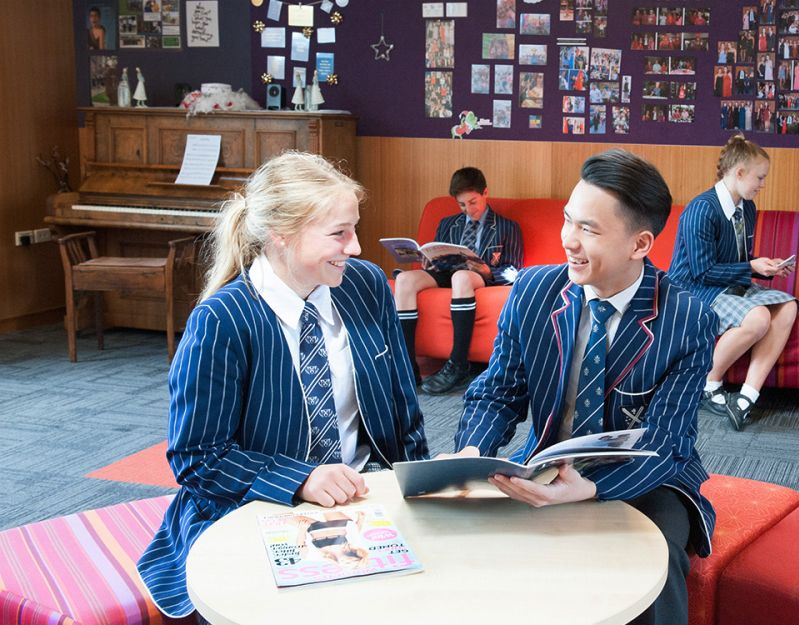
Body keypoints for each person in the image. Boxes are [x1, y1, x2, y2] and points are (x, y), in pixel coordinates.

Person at [136, 151, 429, 619]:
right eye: (339, 233)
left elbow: (402, 409)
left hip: (365, 498)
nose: (355, 248)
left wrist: (422, 490)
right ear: (280, 235)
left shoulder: (366, 285)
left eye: (354, 228)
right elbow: (197, 459)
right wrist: (302, 480)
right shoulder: (222, 320)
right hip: (255, 509)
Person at [447, 149, 718, 625]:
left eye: (589, 230)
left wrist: (591, 487)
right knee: (474, 555)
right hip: (547, 467)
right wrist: (471, 451)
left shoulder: (688, 319)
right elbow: (498, 392)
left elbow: (668, 441)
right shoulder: (533, 291)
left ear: (640, 244)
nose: (568, 240)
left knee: (656, 562)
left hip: (648, 480)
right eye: (567, 220)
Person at [667, 134, 797, 430]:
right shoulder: (702, 210)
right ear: (739, 173)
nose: (762, 184)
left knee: (788, 306)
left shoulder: (747, 208)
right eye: (759, 178)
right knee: (758, 318)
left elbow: (739, 257)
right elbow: (702, 271)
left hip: (725, 285)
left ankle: (747, 397)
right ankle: (706, 382)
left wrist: (765, 267)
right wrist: (751, 266)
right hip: (693, 287)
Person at [395, 167, 524, 394]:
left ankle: (458, 363)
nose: (469, 210)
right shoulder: (448, 223)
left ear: (485, 193)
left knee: (462, 277)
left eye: (473, 202)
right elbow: (438, 251)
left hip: (479, 277)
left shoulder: (507, 227)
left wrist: (487, 269)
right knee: (405, 280)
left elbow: (514, 270)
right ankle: (407, 364)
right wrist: (429, 261)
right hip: (445, 273)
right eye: (462, 205)